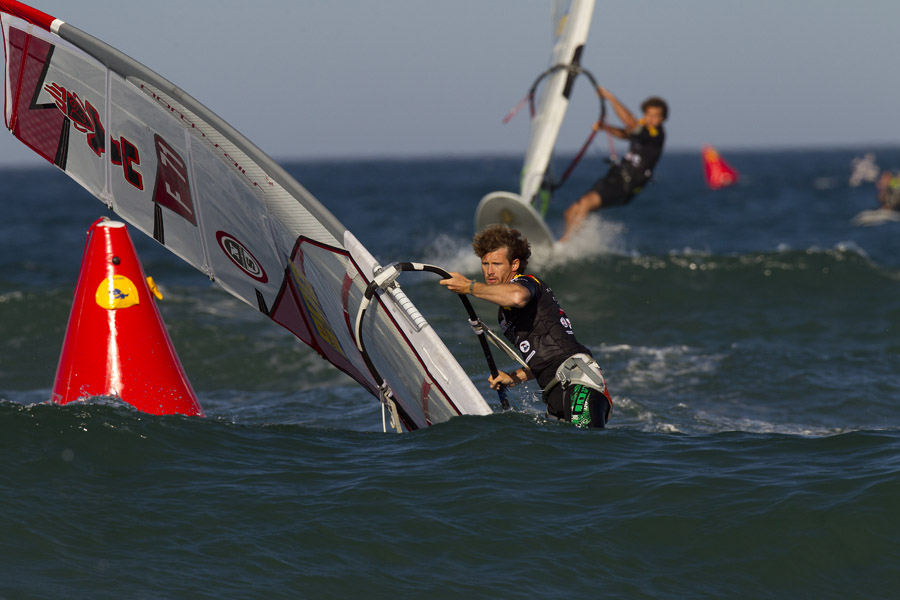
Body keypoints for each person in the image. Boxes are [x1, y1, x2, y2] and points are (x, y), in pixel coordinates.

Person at [439, 225, 612, 428]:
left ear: (514, 264)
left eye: (496, 263)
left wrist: (469, 287)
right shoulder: (504, 314)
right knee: (568, 457)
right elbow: (543, 357)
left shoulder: (528, 283)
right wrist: (513, 378)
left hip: (578, 384)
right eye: (485, 264)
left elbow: (517, 296)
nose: (489, 271)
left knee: (586, 449)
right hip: (556, 395)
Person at [561, 88, 668, 241]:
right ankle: (576, 243)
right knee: (570, 211)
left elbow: (630, 123)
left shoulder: (656, 135)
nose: (650, 119)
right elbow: (626, 134)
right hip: (616, 176)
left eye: (655, 116)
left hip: (628, 184)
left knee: (585, 204)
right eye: (648, 114)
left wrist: (610, 97)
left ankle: (565, 243)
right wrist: (605, 128)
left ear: (662, 119)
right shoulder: (644, 130)